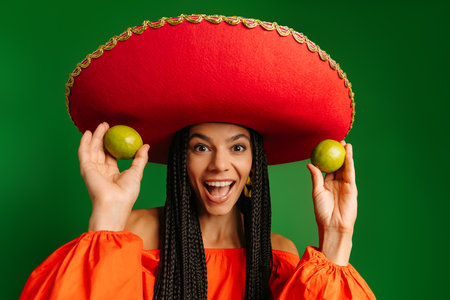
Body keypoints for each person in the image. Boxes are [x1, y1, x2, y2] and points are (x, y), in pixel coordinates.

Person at [20, 14, 376, 299]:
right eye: (201, 147)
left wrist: (336, 235)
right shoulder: (130, 235)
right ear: (181, 160)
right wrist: (107, 215)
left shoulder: (276, 254)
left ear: (255, 162)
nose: (219, 164)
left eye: (237, 147)